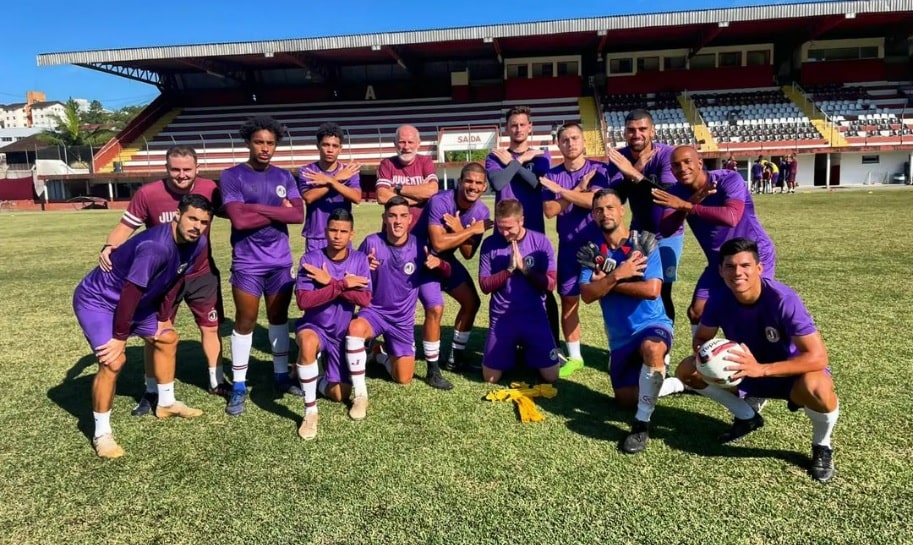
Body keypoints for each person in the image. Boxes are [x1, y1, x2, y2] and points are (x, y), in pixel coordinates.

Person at [675, 237, 838, 482]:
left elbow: (818, 357)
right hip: (745, 373)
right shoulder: (719, 299)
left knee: (818, 389)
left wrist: (761, 369)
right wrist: (714, 358)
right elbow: (701, 339)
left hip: (788, 376)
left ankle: (822, 445)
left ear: (759, 269)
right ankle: (747, 417)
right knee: (688, 369)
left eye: (745, 266)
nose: (737, 272)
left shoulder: (783, 299)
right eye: (730, 266)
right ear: (720, 270)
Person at [73, 194, 213, 458]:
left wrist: (162, 318)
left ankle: (166, 402)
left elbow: (174, 281)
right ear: (177, 215)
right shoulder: (155, 247)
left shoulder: (199, 243)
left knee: (167, 338)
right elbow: (131, 292)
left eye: (203, 222)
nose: (197, 226)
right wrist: (119, 337)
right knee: (113, 361)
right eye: (192, 218)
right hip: (100, 301)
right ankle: (102, 434)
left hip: (137, 302)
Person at [99, 146, 227, 416]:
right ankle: (152, 389)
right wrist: (109, 246)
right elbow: (126, 226)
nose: (181, 175)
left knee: (211, 328)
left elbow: (236, 209)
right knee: (156, 333)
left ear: (197, 169)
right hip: (164, 277)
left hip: (201, 272)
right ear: (166, 168)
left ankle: (217, 382)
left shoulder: (211, 189)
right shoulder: (148, 193)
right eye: (175, 169)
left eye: (187, 170)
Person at [579, 188, 684, 454]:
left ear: (622, 210)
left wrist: (607, 282)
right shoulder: (591, 252)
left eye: (611, 207)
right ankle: (677, 383)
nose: (606, 213)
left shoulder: (645, 242)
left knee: (652, 348)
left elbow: (652, 290)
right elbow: (587, 294)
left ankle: (640, 426)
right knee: (625, 399)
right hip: (620, 338)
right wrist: (619, 275)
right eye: (599, 210)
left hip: (652, 324)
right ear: (593, 215)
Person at [221, 116, 305, 416]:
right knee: (245, 321)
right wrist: (277, 212)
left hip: (280, 262)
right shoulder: (232, 175)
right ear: (248, 143)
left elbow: (298, 216)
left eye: (270, 143)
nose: (265, 148)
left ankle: (281, 376)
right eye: (259, 142)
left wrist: (254, 207)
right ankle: (239, 385)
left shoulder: (284, 176)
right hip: (247, 263)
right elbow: (239, 221)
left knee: (279, 318)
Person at [343, 196, 452, 420]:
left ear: (410, 219)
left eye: (403, 216)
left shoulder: (419, 246)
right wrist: (364, 265)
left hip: (402, 321)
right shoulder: (371, 242)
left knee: (403, 378)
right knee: (354, 330)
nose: (397, 221)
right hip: (374, 313)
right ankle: (360, 395)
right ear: (384, 218)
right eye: (392, 215)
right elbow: (351, 273)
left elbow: (447, 272)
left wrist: (439, 264)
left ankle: (378, 355)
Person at [652, 146, 777, 331]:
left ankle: (769, 353)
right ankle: (701, 358)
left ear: (700, 163)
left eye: (688, 162)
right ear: (672, 171)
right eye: (677, 165)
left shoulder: (728, 179)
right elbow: (666, 229)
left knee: (751, 307)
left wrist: (687, 206)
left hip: (752, 255)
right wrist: (689, 203)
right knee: (697, 312)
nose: (683, 168)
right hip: (718, 261)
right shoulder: (677, 192)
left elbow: (731, 217)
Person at [538, 122, 611, 378]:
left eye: (575, 138)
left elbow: (597, 202)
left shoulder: (599, 169)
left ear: (584, 142)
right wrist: (577, 189)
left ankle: (616, 351)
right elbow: (549, 211)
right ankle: (575, 356)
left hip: (599, 245)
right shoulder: (553, 174)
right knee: (569, 300)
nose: (570, 143)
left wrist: (562, 194)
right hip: (569, 247)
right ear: (559, 144)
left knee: (609, 297)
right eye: (565, 139)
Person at [293, 208, 372, 440]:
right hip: (314, 327)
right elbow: (303, 301)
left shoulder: (358, 260)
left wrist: (330, 282)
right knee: (307, 343)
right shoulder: (310, 259)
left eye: (343, 231)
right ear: (325, 231)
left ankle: (308, 375)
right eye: (333, 230)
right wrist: (342, 285)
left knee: (339, 395)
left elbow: (365, 299)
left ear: (351, 234)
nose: (337, 235)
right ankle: (310, 412)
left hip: (340, 335)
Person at [485, 105, 560, 348]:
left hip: (533, 230)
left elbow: (535, 184)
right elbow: (498, 183)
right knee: (503, 282)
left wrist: (517, 162)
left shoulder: (541, 155)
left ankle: (553, 343)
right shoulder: (494, 155)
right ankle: (504, 340)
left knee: (541, 285)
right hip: (504, 232)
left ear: (530, 127)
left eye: (522, 124)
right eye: (513, 125)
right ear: (507, 128)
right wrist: (519, 161)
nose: (518, 129)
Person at [375, 125, 444, 385]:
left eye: (410, 141)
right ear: (396, 144)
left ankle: (433, 367)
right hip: (393, 248)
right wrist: (413, 196)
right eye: (401, 142)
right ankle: (375, 346)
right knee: (386, 303)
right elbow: (382, 196)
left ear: (418, 142)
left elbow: (432, 191)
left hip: (422, 247)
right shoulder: (386, 164)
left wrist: (400, 191)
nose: (405, 146)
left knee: (434, 306)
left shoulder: (425, 161)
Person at [606, 109, 683, 326]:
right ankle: (639, 338)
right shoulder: (618, 157)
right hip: (638, 233)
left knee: (662, 290)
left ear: (652, 131)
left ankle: (664, 345)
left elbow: (665, 197)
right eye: (631, 130)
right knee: (637, 285)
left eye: (642, 129)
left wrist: (632, 173)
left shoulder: (667, 154)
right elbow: (615, 198)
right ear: (624, 133)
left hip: (668, 232)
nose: (636, 134)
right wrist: (636, 168)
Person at [415, 162, 492, 374]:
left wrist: (460, 229)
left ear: (485, 186)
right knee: (435, 307)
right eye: (468, 181)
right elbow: (438, 243)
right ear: (459, 182)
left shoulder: (482, 211)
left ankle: (455, 358)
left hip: (446, 261)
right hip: (423, 259)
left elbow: (468, 253)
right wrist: (470, 230)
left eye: (478, 183)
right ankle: (432, 369)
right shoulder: (440, 201)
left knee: (472, 302)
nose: (473, 186)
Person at [478, 199, 559, 383]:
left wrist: (525, 270)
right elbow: (484, 286)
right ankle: (513, 351)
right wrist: (508, 270)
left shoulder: (541, 241)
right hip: (502, 318)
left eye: (509, 228)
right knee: (490, 378)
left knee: (552, 377)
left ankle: (525, 351)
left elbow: (551, 284)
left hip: (534, 316)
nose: (504, 233)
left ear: (521, 220)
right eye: (500, 227)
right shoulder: (490, 244)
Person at [298, 122, 362, 252]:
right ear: (318, 146)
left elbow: (356, 197)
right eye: (326, 145)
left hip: (342, 233)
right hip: (316, 236)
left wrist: (329, 181)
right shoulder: (307, 170)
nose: (330, 150)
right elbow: (309, 197)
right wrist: (336, 179)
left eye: (334, 146)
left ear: (340, 148)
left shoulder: (348, 171)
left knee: (342, 272)